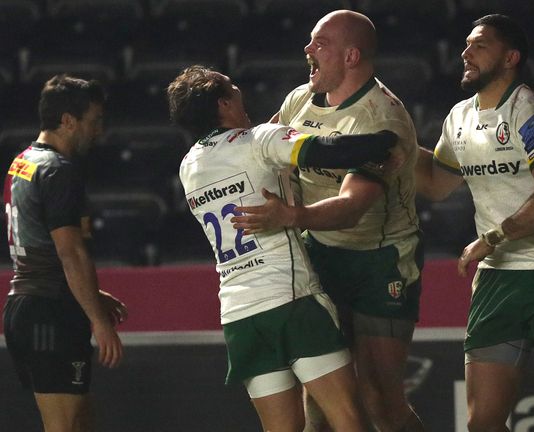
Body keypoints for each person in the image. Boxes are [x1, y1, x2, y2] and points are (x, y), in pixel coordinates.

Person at [168, 65, 402, 432]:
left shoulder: (189, 166)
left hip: (239, 314)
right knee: (349, 421)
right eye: (233, 87)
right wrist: (384, 140)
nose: (240, 89)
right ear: (224, 103)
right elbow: (326, 151)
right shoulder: (258, 140)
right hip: (290, 299)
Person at [414, 15, 534, 432]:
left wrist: (492, 238)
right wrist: (395, 142)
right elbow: (435, 184)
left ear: (510, 57)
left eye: (479, 45)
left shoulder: (531, 111)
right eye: (466, 44)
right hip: (497, 283)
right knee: (483, 423)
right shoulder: (459, 118)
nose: (466, 52)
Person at [230, 10, 426, 432]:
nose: (307, 50)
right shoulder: (299, 100)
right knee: (319, 400)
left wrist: (292, 215)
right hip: (320, 255)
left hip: (381, 260)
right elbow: (265, 153)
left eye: (319, 44)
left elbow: (354, 204)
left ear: (352, 55)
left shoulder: (380, 118)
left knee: (380, 400)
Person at [2, 74, 127, 432]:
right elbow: (69, 251)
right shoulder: (59, 170)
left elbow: (38, 245)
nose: (98, 131)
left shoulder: (21, 163)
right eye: (94, 121)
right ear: (68, 121)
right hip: (50, 314)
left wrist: (90, 294)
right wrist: (100, 323)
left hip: (28, 306)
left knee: (81, 422)